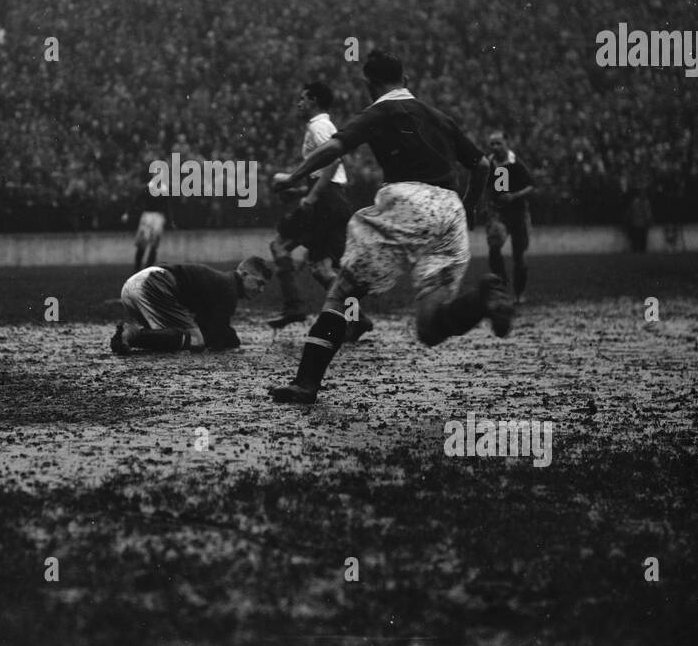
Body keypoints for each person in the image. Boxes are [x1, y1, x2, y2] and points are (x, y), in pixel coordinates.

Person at [268, 51, 513, 405]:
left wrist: (292, 176)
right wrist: (470, 206)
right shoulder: (439, 116)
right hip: (450, 212)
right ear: (406, 80)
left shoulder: (379, 112)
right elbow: (483, 165)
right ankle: (483, 299)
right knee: (430, 328)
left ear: (368, 83)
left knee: (341, 293)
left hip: (409, 202)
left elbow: (335, 147)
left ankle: (306, 383)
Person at [267, 81, 369, 340]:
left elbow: (333, 162)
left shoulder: (319, 126)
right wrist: (302, 192)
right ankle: (357, 319)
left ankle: (294, 308)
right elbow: (330, 174)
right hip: (332, 199)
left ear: (313, 101)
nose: (298, 103)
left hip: (325, 202)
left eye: (302, 99)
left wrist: (310, 197)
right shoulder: (323, 126)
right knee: (322, 269)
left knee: (279, 247)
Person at [111, 256, 273, 355]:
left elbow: (206, 324)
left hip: (133, 285)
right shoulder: (230, 289)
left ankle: (133, 335)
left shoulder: (224, 282)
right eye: (259, 283)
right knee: (196, 340)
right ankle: (131, 334)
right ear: (243, 275)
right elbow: (215, 337)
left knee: (175, 337)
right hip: (154, 284)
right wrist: (232, 341)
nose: (261, 290)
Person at [485, 130, 534, 304]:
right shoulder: (491, 163)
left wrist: (513, 196)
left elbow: (531, 185)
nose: (495, 147)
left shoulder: (516, 164)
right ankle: (502, 287)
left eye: (498, 143)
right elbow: (493, 187)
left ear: (507, 143)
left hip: (519, 214)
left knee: (519, 256)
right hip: (499, 214)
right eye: (492, 144)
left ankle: (519, 294)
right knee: (494, 247)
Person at [124, 187, 173, 271]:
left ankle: (147, 268)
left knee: (153, 245)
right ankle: (137, 268)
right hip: (148, 216)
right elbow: (137, 200)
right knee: (142, 244)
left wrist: (170, 220)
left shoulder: (164, 189)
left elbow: (167, 205)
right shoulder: (148, 188)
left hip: (158, 216)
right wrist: (128, 212)